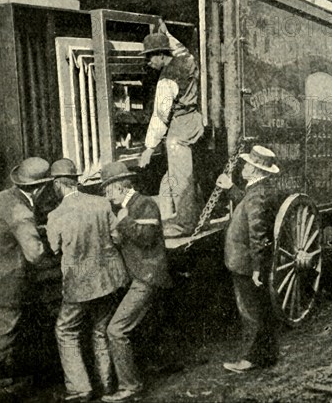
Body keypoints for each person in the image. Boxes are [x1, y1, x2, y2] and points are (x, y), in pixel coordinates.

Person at [0, 157, 58, 402]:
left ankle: (12, 379)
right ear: (40, 187)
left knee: (0, 333)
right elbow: (35, 254)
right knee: (4, 339)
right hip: (11, 285)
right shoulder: (21, 211)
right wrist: (50, 244)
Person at [47, 159, 128, 403]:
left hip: (79, 284)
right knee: (100, 330)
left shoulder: (56, 215)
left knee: (65, 330)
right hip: (108, 280)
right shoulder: (101, 203)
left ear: (57, 185)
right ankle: (106, 385)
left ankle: (80, 388)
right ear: (75, 180)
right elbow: (117, 237)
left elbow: (53, 249)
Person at [101, 162, 172, 402]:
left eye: (106, 190)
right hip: (141, 276)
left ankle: (130, 385)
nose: (105, 195)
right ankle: (153, 367)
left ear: (117, 188)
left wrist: (122, 222)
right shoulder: (128, 205)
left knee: (116, 330)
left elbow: (148, 238)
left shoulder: (144, 204)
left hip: (147, 277)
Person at [217, 145, 280, 373]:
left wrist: (256, 269)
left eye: (247, 165)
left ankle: (249, 359)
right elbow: (246, 205)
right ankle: (267, 355)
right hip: (247, 262)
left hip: (244, 264)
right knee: (260, 309)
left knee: (249, 311)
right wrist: (231, 188)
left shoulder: (257, 196)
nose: (243, 167)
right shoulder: (257, 191)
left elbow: (257, 235)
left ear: (255, 171)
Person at [138, 21, 204, 238]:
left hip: (180, 129)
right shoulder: (186, 59)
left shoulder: (166, 78)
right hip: (195, 121)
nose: (148, 62)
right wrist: (166, 32)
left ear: (160, 55)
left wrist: (148, 148)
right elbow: (181, 48)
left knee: (181, 179)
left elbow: (160, 116)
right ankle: (184, 214)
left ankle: (186, 224)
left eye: (150, 57)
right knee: (178, 174)